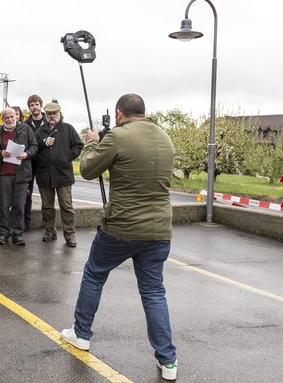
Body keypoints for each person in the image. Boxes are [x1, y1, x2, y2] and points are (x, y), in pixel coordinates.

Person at [60, 94, 178, 381]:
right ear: (144, 112)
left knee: (94, 274)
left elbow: (88, 170)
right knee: (153, 292)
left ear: (119, 113)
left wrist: (91, 141)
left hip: (121, 228)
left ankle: (81, 333)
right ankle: (168, 360)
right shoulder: (165, 138)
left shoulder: (117, 136)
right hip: (159, 230)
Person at [34, 101, 83, 247]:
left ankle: (70, 235)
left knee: (66, 206)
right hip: (44, 174)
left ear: (59, 113)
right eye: (49, 114)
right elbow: (33, 149)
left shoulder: (68, 129)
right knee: (47, 206)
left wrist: (66, 156)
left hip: (63, 174)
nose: (52, 116)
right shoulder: (39, 132)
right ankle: (50, 231)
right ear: (45, 115)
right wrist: (43, 143)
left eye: (54, 113)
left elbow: (78, 146)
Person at [0, 107, 38, 245]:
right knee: (3, 206)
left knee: (19, 206)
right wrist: (1, 153)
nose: (10, 119)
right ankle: (3, 234)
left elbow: (35, 146)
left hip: (22, 174)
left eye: (12, 116)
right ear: (2, 118)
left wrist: (27, 154)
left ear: (16, 116)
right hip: (4, 174)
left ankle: (17, 234)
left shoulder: (26, 129)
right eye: (6, 117)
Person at [23, 94, 48, 231]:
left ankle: (48, 225)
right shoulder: (25, 125)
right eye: (32, 105)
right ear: (29, 107)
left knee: (46, 195)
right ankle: (26, 223)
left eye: (37, 104)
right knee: (27, 193)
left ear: (41, 105)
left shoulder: (48, 122)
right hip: (30, 163)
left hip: (45, 163)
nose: (34, 107)